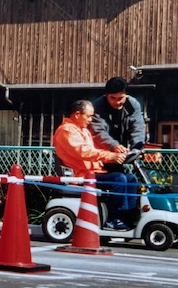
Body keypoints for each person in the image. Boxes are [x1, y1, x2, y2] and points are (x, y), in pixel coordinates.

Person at [53, 99, 137, 230]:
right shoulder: (66, 131)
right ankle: (113, 218)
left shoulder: (84, 131)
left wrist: (117, 154)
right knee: (118, 179)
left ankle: (128, 215)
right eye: (88, 116)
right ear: (77, 114)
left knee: (131, 178)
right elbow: (84, 152)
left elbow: (95, 152)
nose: (90, 120)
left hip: (93, 172)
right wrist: (111, 156)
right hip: (80, 176)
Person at [89, 76, 146, 171]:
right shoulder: (97, 107)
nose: (117, 102)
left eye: (121, 98)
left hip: (123, 153)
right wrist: (113, 145)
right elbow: (97, 132)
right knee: (119, 179)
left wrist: (136, 148)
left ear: (126, 95)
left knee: (130, 180)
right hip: (100, 156)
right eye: (113, 98)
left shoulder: (132, 105)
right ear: (106, 95)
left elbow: (137, 128)